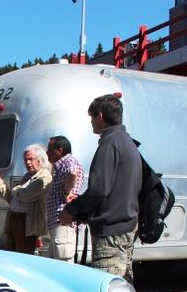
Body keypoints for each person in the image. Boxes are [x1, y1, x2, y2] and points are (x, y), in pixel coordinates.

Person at [60, 94, 142, 281]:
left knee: (107, 288)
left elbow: (99, 189)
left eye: (92, 117)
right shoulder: (128, 142)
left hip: (110, 230)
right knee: (120, 287)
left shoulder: (109, 143)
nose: (91, 122)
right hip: (126, 225)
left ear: (101, 116)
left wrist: (71, 210)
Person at [0, 144, 52, 254]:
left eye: (30, 159)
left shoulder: (44, 177)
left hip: (27, 222)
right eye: (25, 160)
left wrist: (16, 190)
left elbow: (25, 195)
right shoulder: (28, 176)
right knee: (10, 253)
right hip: (14, 219)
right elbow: (12, 198)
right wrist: (0, 185)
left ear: (40, 160)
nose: (27, 163)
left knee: (24, 255)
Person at [44, 136, 85, 261]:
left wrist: (67, 192)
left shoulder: (69, 162)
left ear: (59, 151)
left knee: (64, 262)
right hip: (57, 223)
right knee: (55, 264)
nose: (46, 152)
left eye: (50, 149)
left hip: (63, 222)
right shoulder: (60, 166)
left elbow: (72, 173)